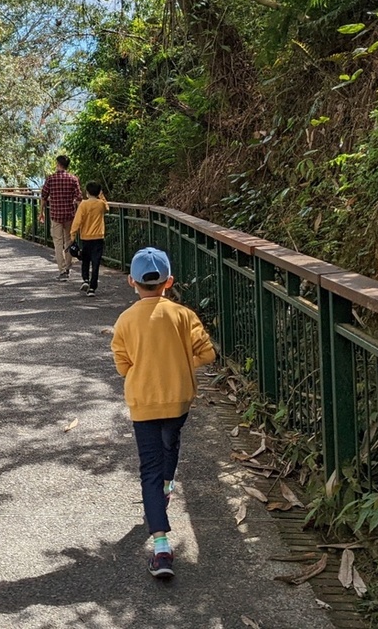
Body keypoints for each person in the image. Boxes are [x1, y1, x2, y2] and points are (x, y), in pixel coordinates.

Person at [110, 247, 216, 579]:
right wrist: (183, 365)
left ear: (131, 281)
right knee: (172, 443)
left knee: (149, 471)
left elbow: (122, 366)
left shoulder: (125, 321)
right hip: (179, 398)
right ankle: (169, 486)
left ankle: (161, 548)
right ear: (169, 282)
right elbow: (208, 354)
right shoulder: (184, 315)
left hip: (143, 402)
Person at [39, 154, 83, 281]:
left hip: (56, 215)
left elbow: (44, 196)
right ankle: (68, 268)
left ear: (58, 164)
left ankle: (62, 270)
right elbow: (79, 198)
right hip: (69, 215)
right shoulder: (73, 179)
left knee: (58, 243)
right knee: (69, 241)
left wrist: (41, 212)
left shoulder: (51, 179)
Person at [70, 181, 108, 296]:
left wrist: (73, 234)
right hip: (98, 237)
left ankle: (85, 279)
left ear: (87, 192)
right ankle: (92, 287)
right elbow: (107, 208)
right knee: (96, 263)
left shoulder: (83, 204)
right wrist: (101, 196)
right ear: (98, 192)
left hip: (85, 238)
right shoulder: (101, 204)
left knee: (85, 260)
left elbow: (77, 221)